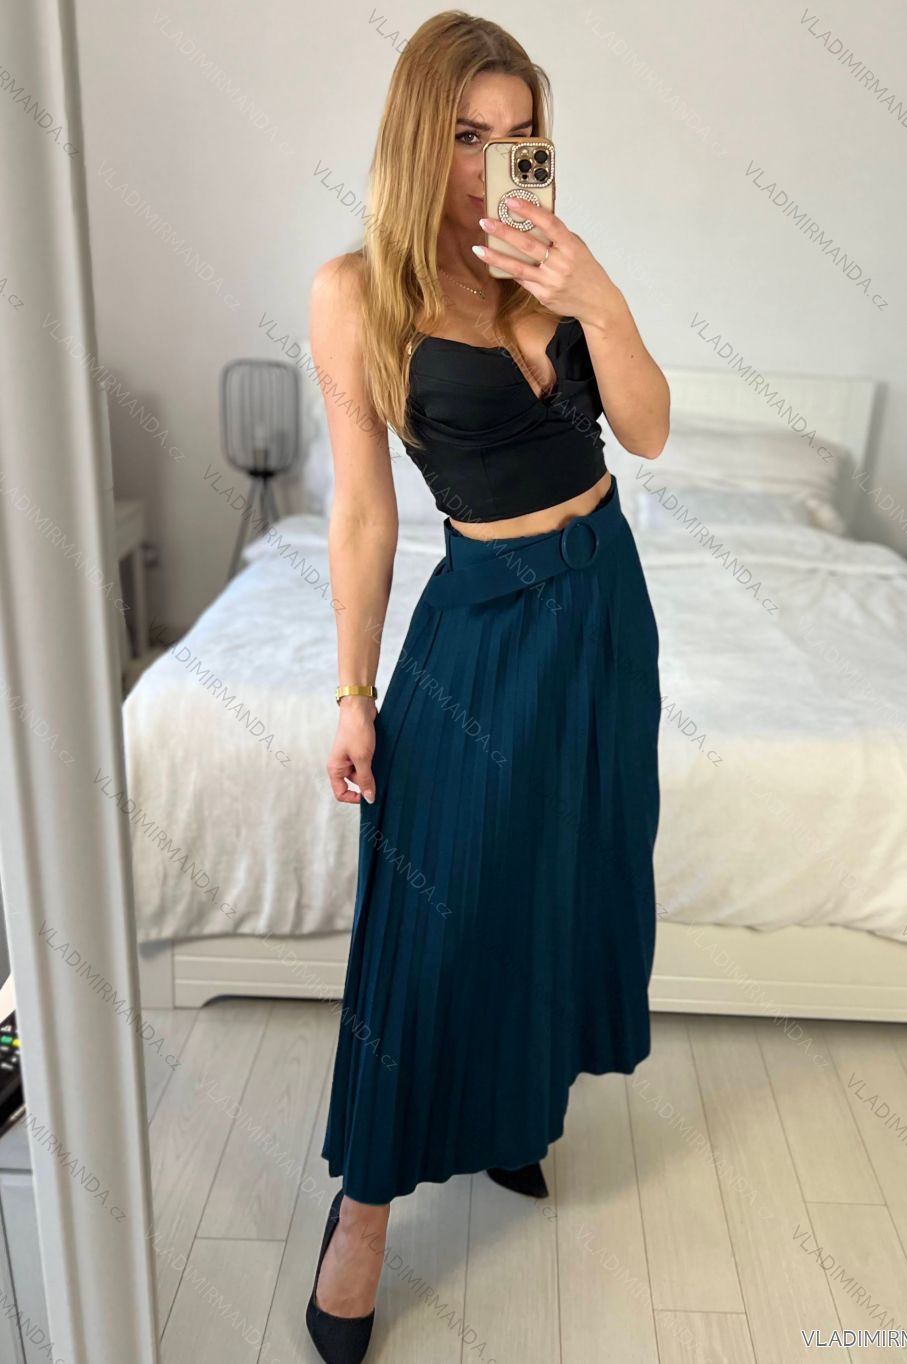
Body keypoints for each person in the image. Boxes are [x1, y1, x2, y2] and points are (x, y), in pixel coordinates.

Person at [304, 12, 668, 1362]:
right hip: (485, 617)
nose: (494, 163)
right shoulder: (357, 292)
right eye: (467, 136)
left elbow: (645, 431)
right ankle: (364, 1214)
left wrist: (599, 299)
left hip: (604, 601)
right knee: (437, 907)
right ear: (419, 138)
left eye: (518, 137)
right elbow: (362, 513)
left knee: (563, 875)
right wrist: (353, 690)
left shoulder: (555, 268)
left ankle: (517, 1114)